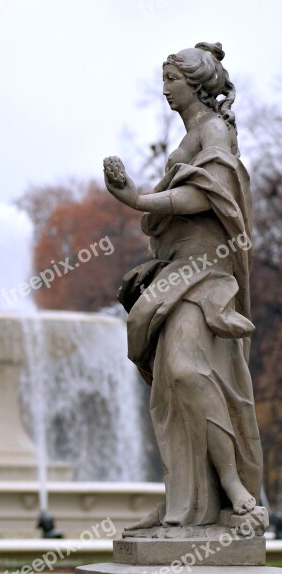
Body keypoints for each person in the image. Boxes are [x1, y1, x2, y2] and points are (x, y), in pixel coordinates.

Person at [103, 42, 263, 529]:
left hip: (206, 273)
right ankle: (184, 498)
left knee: (188, 372)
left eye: (171, 79)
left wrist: (137, 199)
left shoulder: (213, 129)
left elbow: (206, 194)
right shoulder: (193, 134)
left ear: (194, 83)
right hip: (178, 271)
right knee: (171, 390)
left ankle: (232, 484)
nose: (165, 89)